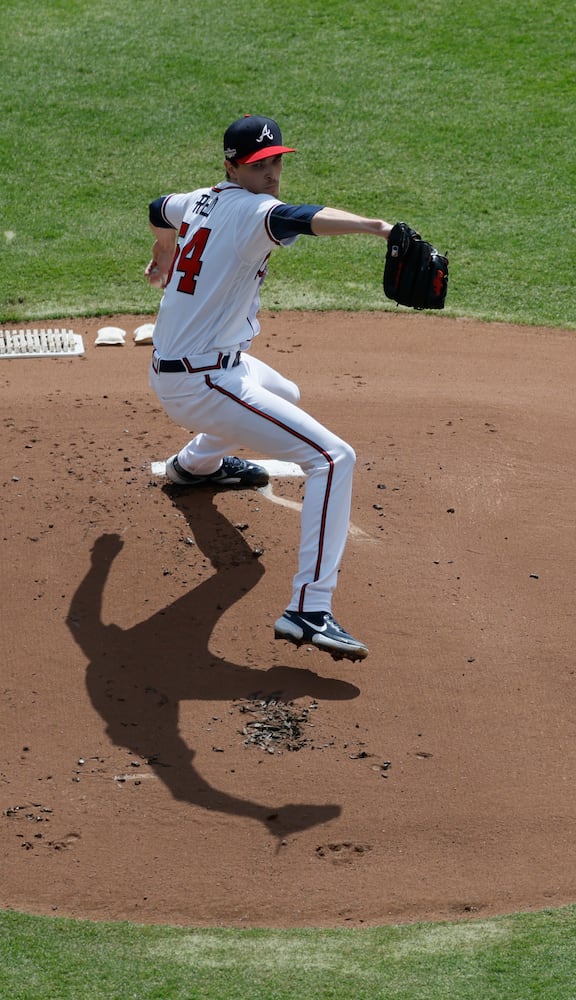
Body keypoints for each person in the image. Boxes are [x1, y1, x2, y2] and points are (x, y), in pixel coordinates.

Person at [145, 114, 394, 663]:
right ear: (233, 166)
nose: (273, 172)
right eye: (260, 164)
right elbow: (302, 218)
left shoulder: (202, 199)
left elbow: (158, 206)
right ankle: (309, 608)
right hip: (203, 382)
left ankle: (197, 466)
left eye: (277, 160)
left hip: (200, 371)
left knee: (285, 394)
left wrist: (164, 249)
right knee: (333, 458)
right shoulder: (253, 211)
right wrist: (377, 228)